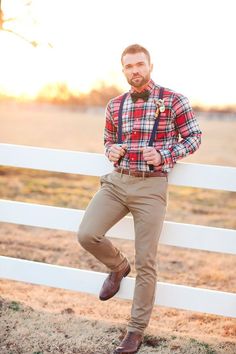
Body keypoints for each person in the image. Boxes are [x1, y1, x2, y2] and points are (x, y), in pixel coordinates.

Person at [77, 44, 202, 354]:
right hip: (117, 183)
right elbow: (108, 140)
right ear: (123, 70)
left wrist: (164, 154)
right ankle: (118, 266)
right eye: (129, 66)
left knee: (147, 262)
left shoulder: (173, 100)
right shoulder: (114, 105)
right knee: (87, 234)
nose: (135, 70)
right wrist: (111, 150)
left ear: (150, 65)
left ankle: (134, 331)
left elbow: (194, 137)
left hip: (151, 187)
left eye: (140, 64)